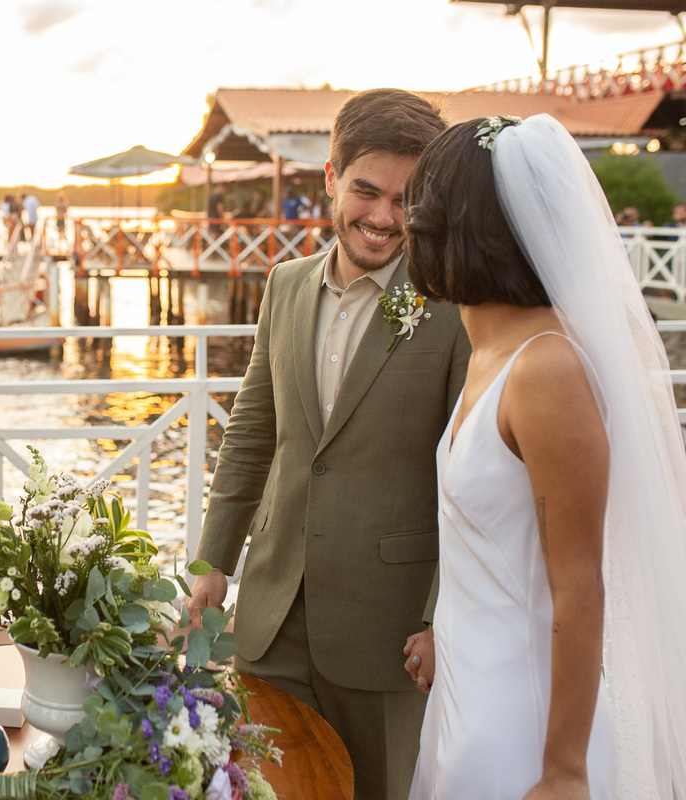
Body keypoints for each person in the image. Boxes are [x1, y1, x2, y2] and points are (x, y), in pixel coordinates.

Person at [186, 88, 469, 800]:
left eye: (404, 201)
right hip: (271, 615)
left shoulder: (454, 307)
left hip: (390, 630)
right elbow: (252, 435)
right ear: (330, 180)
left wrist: (442, 616)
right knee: (260, 787)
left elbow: (469, 479)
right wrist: (212, 559)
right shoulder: (285, 284)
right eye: (366, 191)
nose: (382, 218)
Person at [404, 113, 686, 799]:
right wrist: (442, 629)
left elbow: (580, 583)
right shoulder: (491, 347)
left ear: (461, 226)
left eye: (421, 206)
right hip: (462, 698)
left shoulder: (547, 368)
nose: (408, 222)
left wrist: (563, 772)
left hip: (521, 729)